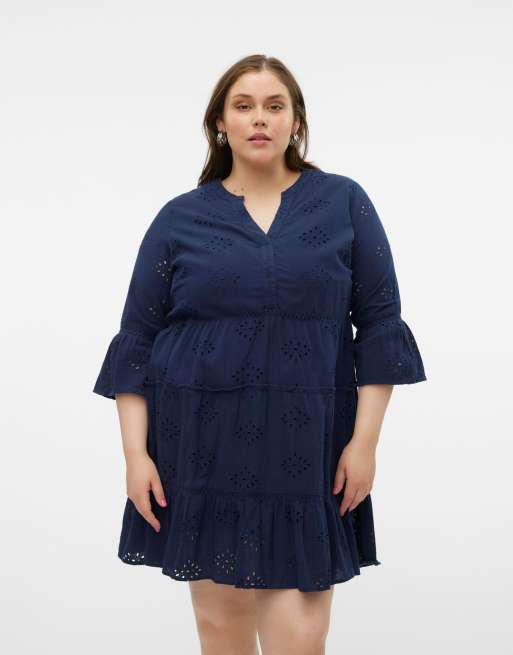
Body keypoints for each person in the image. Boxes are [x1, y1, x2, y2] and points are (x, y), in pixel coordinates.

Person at [92, 54, 427, 655]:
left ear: (296, 121)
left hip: (309, 453)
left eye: (275, 106)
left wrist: (365, 443)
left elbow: (380, 327)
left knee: (300, 638)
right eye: (243, 106)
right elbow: (136, 342)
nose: (259, 118)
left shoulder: (343, 202)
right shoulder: (180, 218)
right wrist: (136, 456)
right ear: (220, 123)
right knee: (221, 634)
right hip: (201, 446)